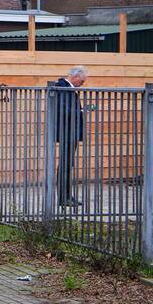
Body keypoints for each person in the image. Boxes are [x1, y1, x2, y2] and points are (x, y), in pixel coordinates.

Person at [54, 66, 86, 208]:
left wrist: (81, 110)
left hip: (70, 131)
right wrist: (80, 111)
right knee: (65, 164)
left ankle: (67, 195)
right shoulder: (62, 87)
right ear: (75, 76)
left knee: (68, 164)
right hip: (66, 131)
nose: (82, 84)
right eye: (82, 81)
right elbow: (64, 109)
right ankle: (63, 197)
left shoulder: (68, 88)